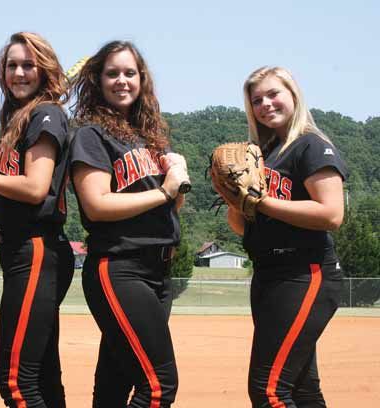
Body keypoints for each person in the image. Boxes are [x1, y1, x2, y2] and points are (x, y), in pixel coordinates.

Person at [214, 66, 347, 407]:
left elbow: (331, 214)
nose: (266, 104)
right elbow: (246, 226)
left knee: (268, 389)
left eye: (273, 94)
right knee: (302, 388)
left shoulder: (310, 146)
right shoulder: (263, 154)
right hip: (269, 275)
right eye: (257, 100)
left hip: (306, 273)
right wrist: (235, 201)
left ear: (293, 94)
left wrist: (263, 202)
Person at [69, 40, 190, 408]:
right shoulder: (91, 134)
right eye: (112, 73)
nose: (122, 80)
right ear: (97, 80)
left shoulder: (148, 136)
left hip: (159, 272)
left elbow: (170, 208)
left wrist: (176, 177)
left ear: (142, 79)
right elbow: (97, 205)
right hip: (120, 268)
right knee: (157, 386)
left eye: (129, 73)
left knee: (115, 382)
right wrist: (165, 192)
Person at [0, 32, 74, 407]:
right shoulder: (19, 118)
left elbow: (34, 188)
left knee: (17, 383)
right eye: (12, 65)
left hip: (36, 251)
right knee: (41, 375)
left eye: (29, 64)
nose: (19, 72)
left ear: (45, 69)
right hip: (26, 253)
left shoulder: (47, 113)